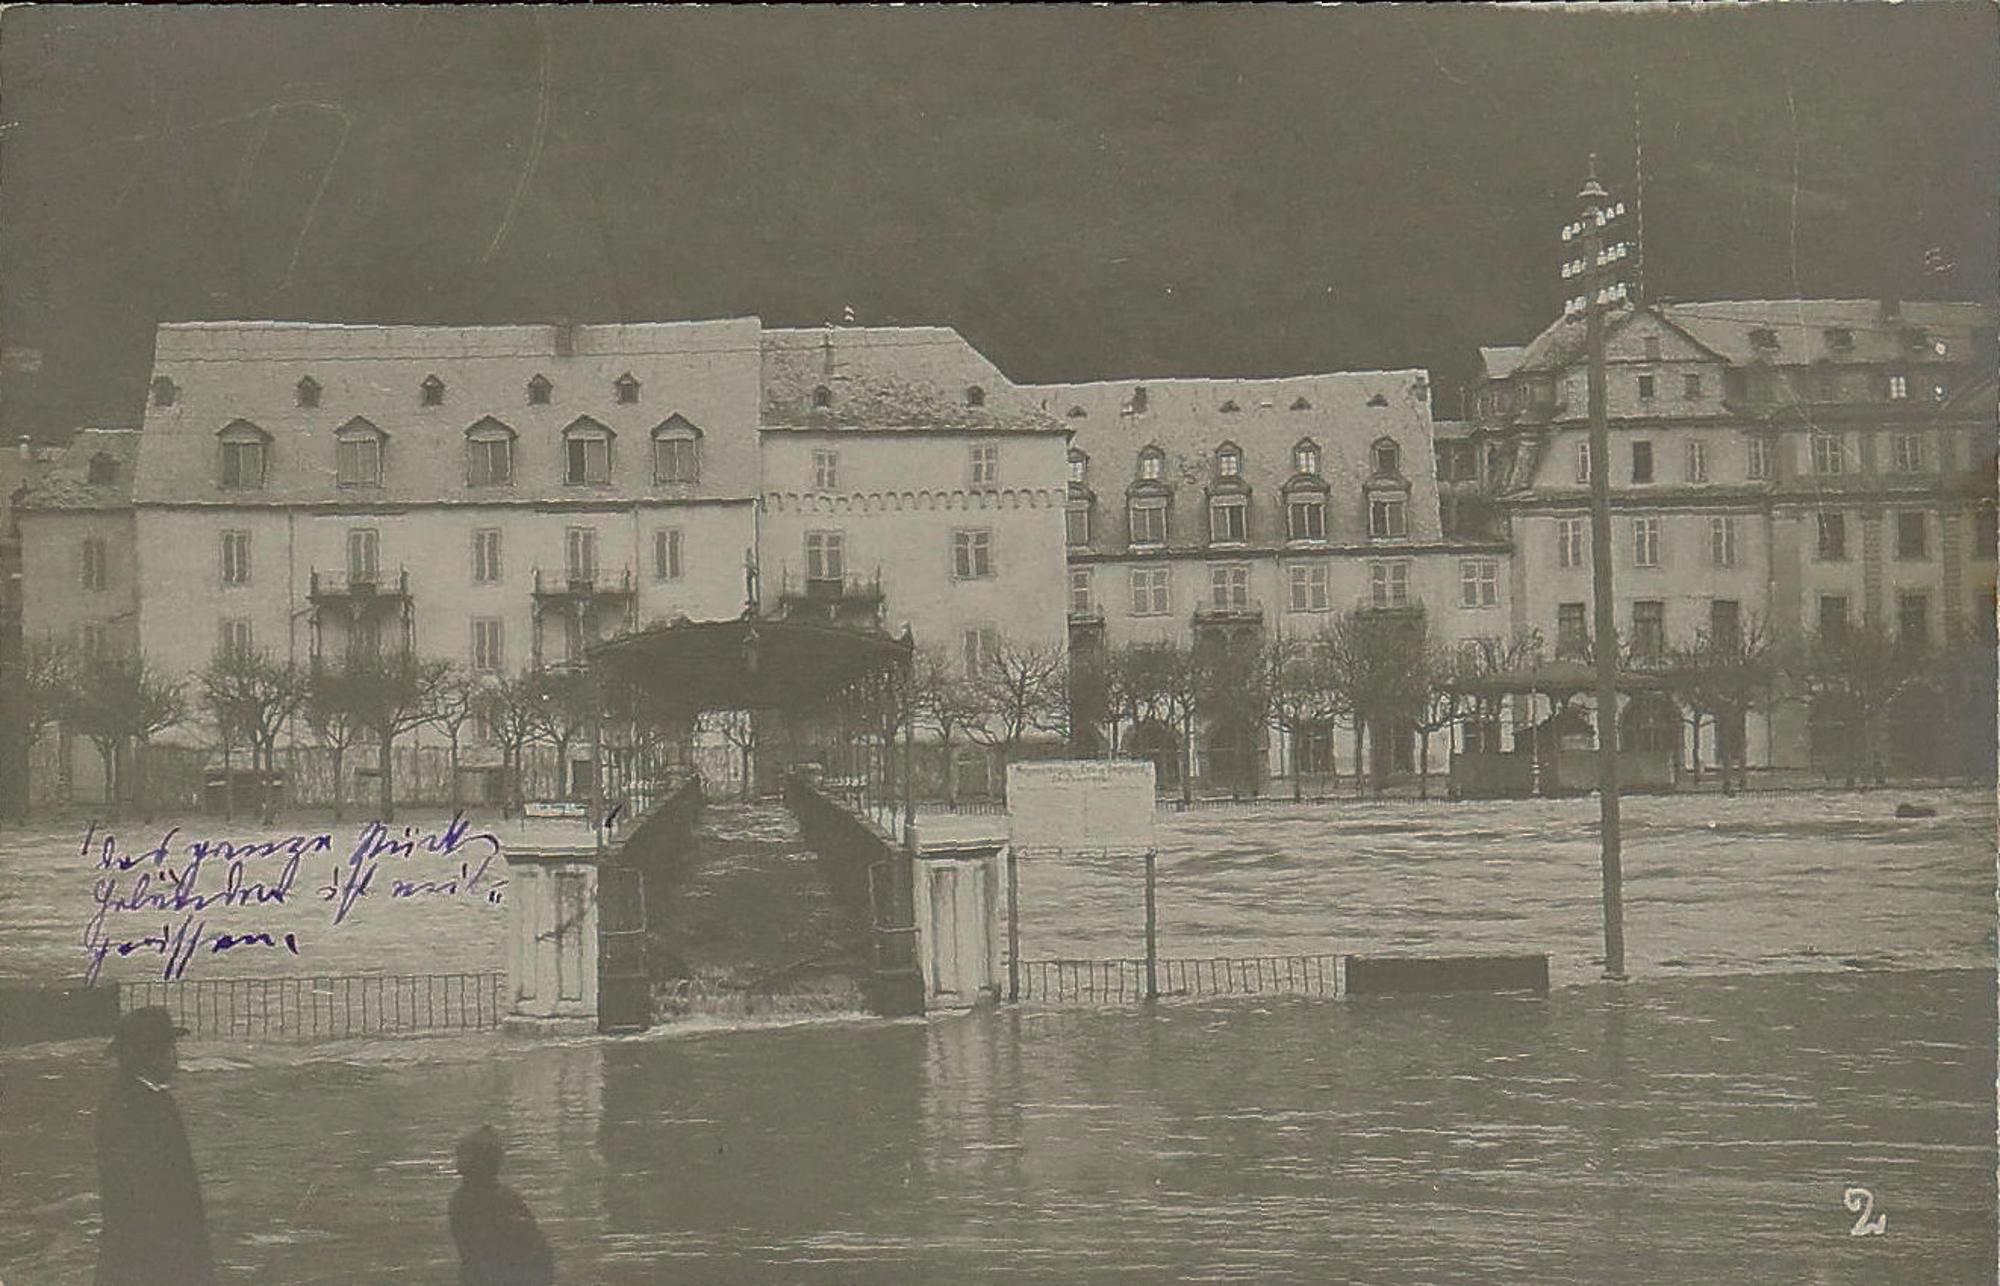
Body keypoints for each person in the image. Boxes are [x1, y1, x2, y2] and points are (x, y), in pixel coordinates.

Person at [95, 1006, 216, 1286]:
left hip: (146, 1242)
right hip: (153, 1245)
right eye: (170, 1048)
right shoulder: (138, 1105)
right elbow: (146, 1185)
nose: (175, 1057)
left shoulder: (136, 1099)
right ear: (150, 1055)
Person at [449, 1124, 556, 1286]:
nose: (460, 1163)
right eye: (461, 1155)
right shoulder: (466, 1200)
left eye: (466, 1156)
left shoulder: (502, 1201)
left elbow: (536, 1253)